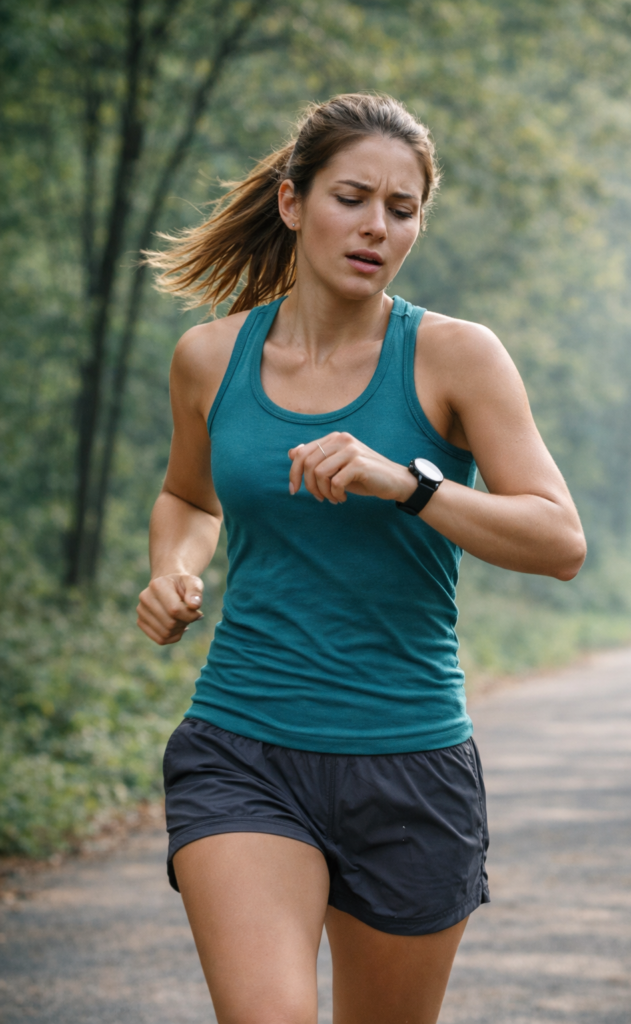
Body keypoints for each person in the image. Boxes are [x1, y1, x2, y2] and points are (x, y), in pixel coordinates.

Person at [137, 93, 586, 1024]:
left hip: (408, 760)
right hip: (242, 745)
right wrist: (173, 568)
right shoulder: (209, 359)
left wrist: (408, 483)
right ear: (292, 202)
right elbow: (188, 497)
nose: (376, 226)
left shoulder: (456, 357)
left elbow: (558, 541)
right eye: (351, 198)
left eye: (401, 208)